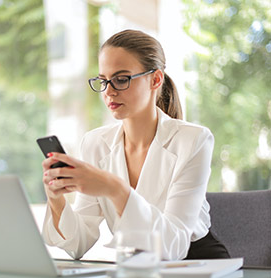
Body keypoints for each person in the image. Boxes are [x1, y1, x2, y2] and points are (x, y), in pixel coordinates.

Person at [41, 29, 230, 261]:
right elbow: (78, 244)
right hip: (138, 269)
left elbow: (175, 246)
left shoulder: (193, 140)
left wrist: (115, 188)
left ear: (155, 79)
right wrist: (56, 198)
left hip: (197, 265)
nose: (109, 91)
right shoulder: (95, 143)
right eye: (103, 81)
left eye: (121, 79)